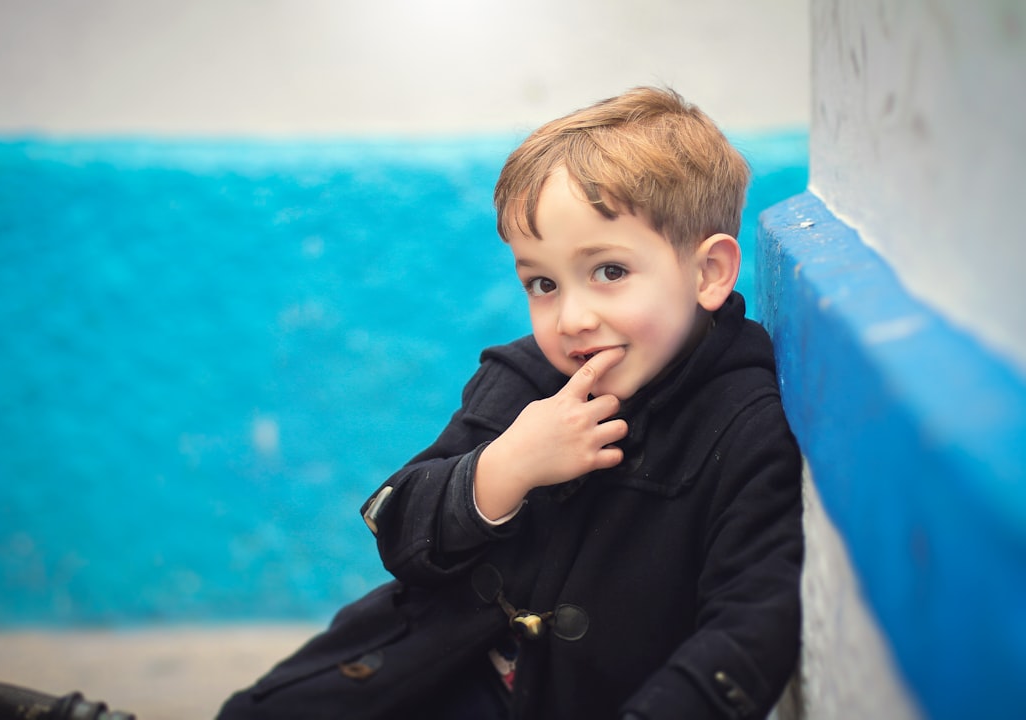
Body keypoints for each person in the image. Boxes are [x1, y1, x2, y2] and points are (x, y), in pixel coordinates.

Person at [217, 86, 802, 720]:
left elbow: (749, 625)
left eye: (609, 271)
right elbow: (402, 532)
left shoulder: (745, 420)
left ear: (709, 273)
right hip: (417, 684)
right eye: (542, 283)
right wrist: (504, 467)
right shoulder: (523, 378)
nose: (572, 318)